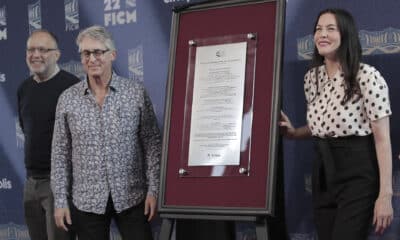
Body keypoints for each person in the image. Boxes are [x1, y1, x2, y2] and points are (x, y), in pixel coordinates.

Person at [279, 9, 393, 240]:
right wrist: (294, 133)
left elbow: (382, 140)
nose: (322, 34)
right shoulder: (312, 78)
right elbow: (324, 126)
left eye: (331, 28)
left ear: (346, 35)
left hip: (357, 175)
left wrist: (385, 196)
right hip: (323, 174)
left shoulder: (368, 76)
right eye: (318, 29)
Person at [50, 25, 161, 240]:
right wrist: (60, 201)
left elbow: (152, 144)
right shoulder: (67, 99)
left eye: (98, 52)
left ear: (112, 55)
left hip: (132, 197)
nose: (92, 59)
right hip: (87, 201)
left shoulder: (135, 93)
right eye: (86, 53)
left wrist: (153, 190)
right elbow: (60, 154)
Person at [17, 29, 80, 240]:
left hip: (59, 184)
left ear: (57, 54)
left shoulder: (72, 87)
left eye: (43, 49)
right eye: (31, 49)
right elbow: (27, 129)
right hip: (31, 183)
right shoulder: (24, 89)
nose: (35, 54)